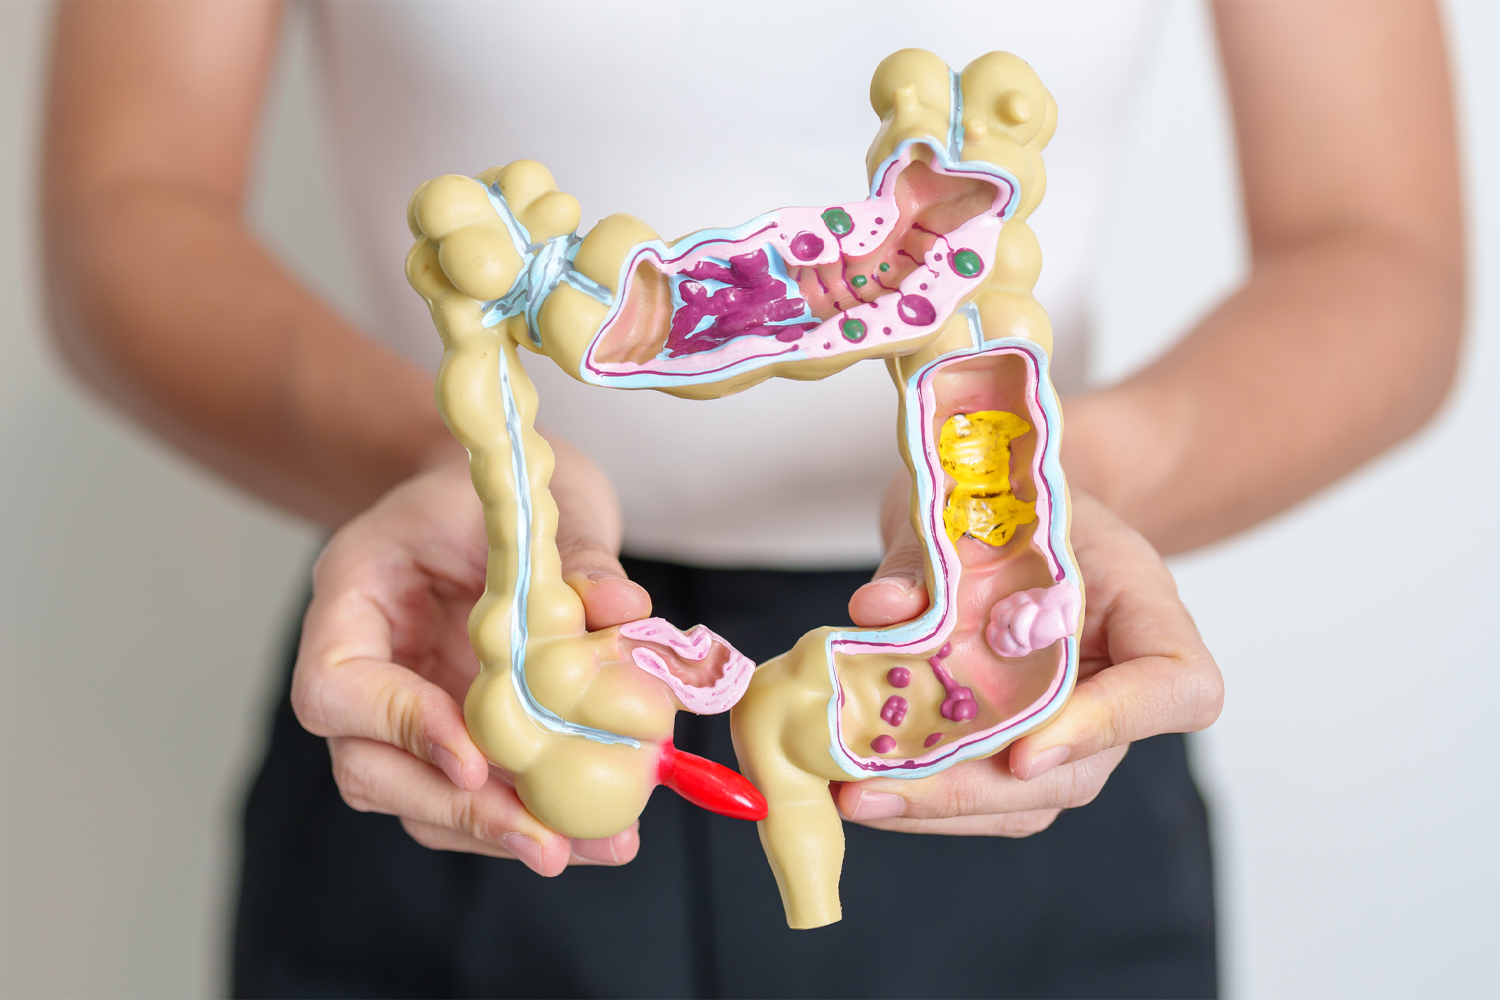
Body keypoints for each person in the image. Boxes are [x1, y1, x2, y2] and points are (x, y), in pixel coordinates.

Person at [41, 2, 1462, 996]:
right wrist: (449, 465)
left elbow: (1381, 250)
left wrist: (1078, 480)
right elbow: (127, 198)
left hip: (1025, 700)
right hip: (471, 629)